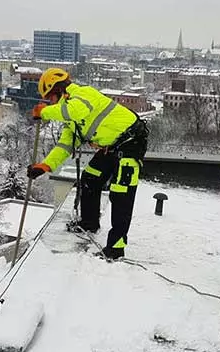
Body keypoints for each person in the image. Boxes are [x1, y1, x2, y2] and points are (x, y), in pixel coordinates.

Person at [27, 68, 148, 260]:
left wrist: (45, 112)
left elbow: (72, 110)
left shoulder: (82, 94)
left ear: (59, 90)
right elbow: (65, 145)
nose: (49, 102)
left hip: (131, 143)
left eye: (50, 97)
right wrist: (45, 166)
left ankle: (116, 247)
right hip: (111, 147)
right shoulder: (72, 121)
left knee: (121, 194)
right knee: (90, 178)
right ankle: (89, 223)